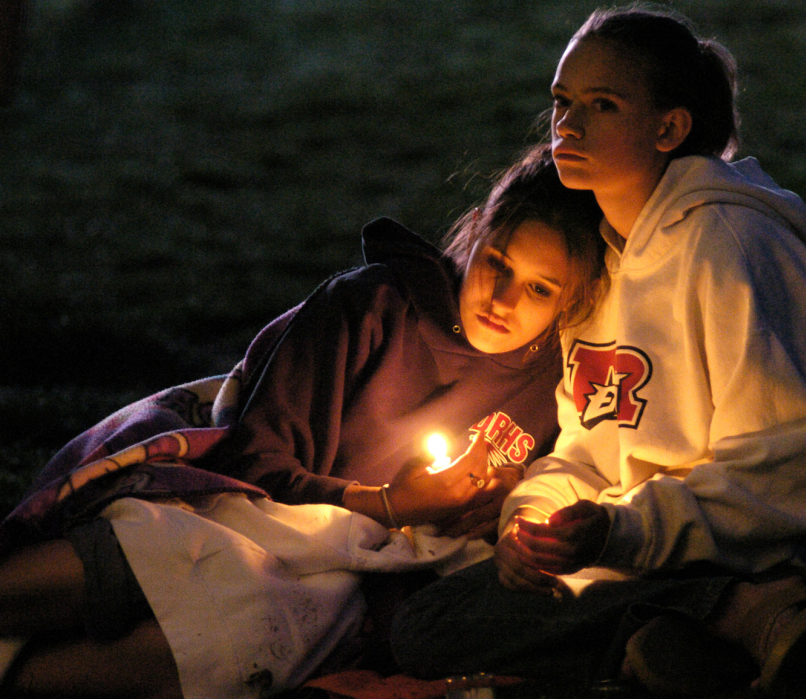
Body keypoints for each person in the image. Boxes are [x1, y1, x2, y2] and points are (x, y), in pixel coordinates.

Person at [0, 144, 607, 699]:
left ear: (569, 301)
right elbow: (251, 463)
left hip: (342, 587)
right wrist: (391, 503)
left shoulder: (553, 384)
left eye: (539, 289)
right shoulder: (373, 308)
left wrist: (495, 511)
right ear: (474, 234)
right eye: (496, 263)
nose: (503, 299)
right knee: (152, 559)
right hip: (250, 515)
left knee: (225, 638)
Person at [391, 7, 806, 696]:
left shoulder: (730, 247)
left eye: (602, 105)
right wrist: (533, 522)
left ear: (669, 127)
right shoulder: (597, 259)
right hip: (640, 551)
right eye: (561, 102)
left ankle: (762, 612)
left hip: (755, 554)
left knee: (459, 626)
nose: (568, 126)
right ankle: (700, 640)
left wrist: (621, 531)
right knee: (424, 625)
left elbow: (789, 475)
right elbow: (587, 444)